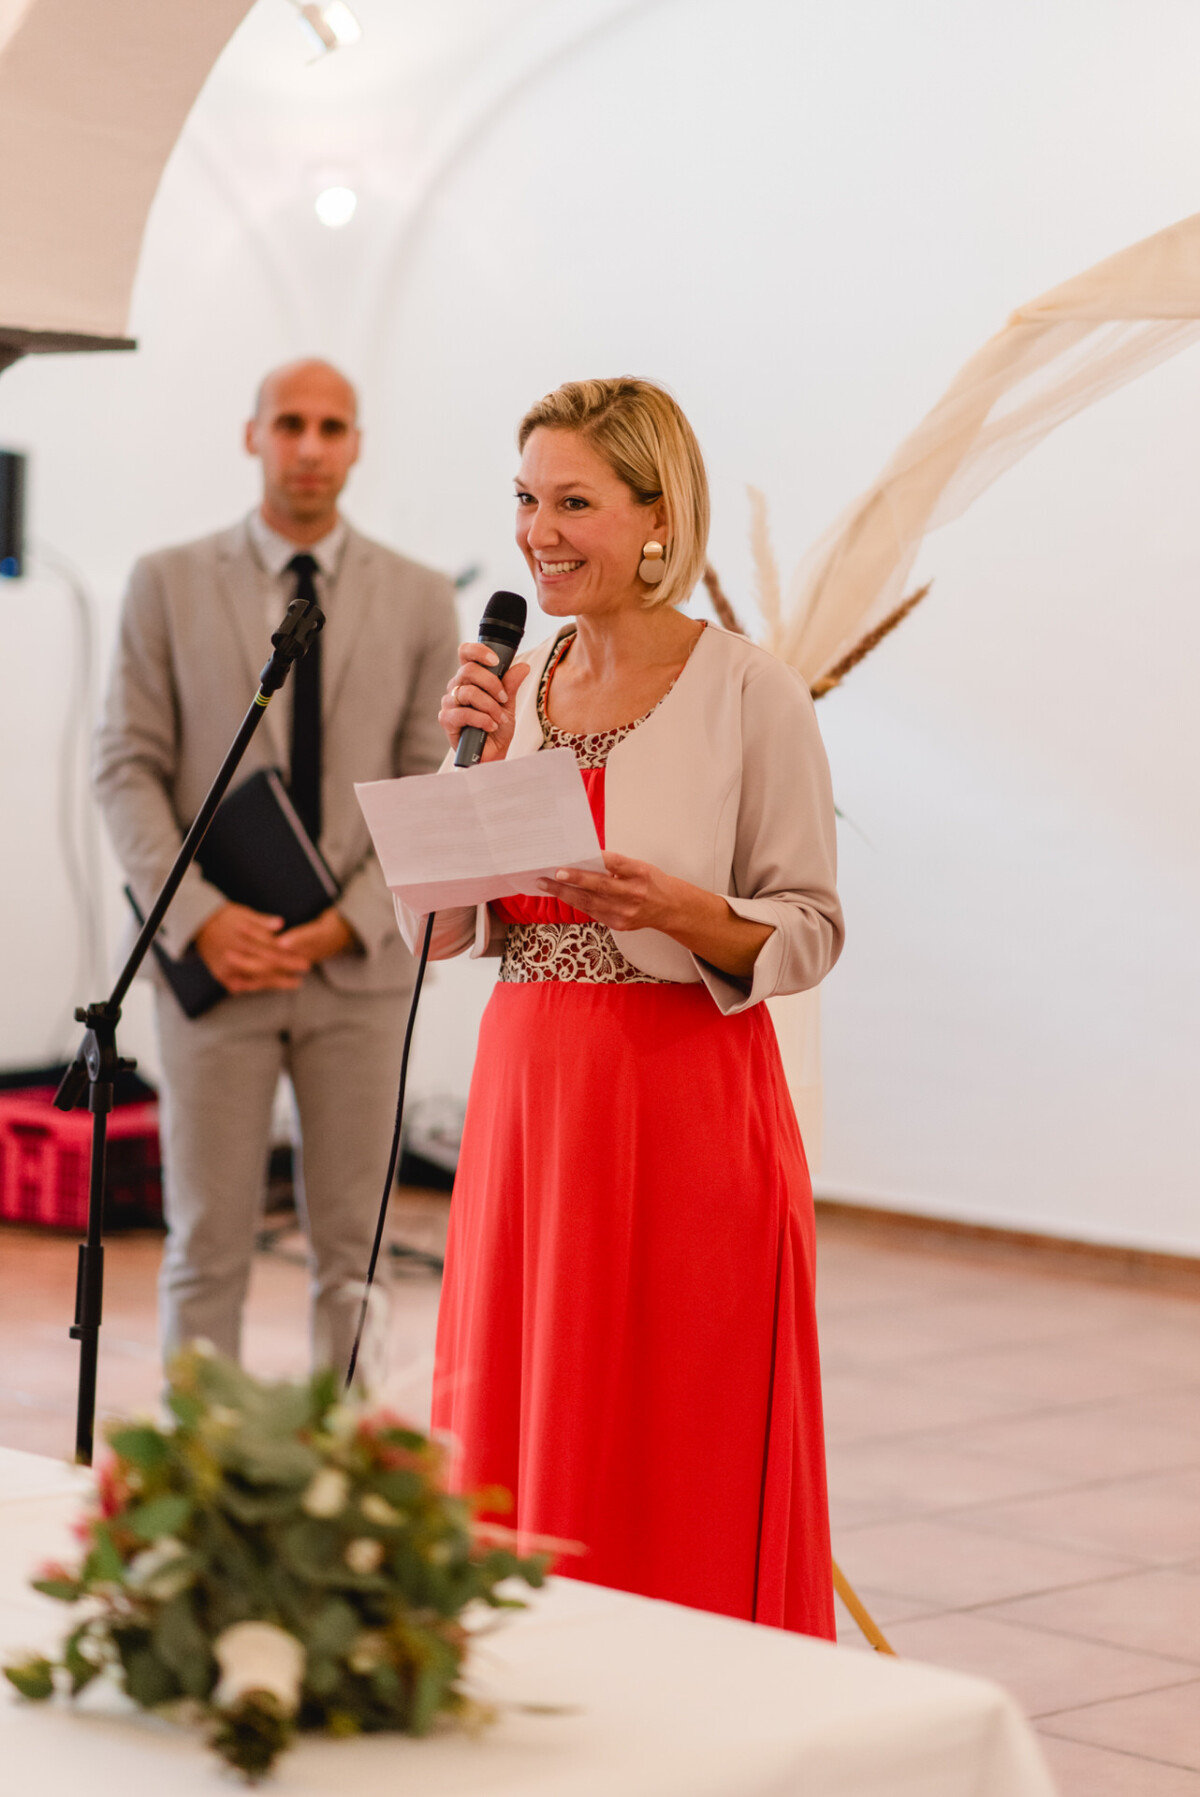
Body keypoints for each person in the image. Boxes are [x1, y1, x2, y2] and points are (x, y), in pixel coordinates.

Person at [403, 377, 844, 1636]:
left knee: (673, 1411)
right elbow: (441, 932)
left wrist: (680, 911)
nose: (540, 532)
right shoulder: (514, 690)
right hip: (531, 1094)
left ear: (658, 518)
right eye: (528, 501)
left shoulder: (752, 692)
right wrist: (462, 766)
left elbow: (809, 924)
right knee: (526, 1394)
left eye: (576, 503)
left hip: (684, 1099)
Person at [95, 359, 458, 1376]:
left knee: (356, 1252)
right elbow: (127, 769)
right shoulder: (166, 582)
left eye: (331, 427)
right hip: (216, 967)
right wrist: (201, 916)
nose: (309, 445)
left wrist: (350, 918)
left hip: (362, 965)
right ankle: (202, 1483)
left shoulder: (422, 597)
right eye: (289, 423)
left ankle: (345, 1480)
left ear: (356, 445)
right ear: (251, 435)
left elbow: (431, 782)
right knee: (205, 1244)